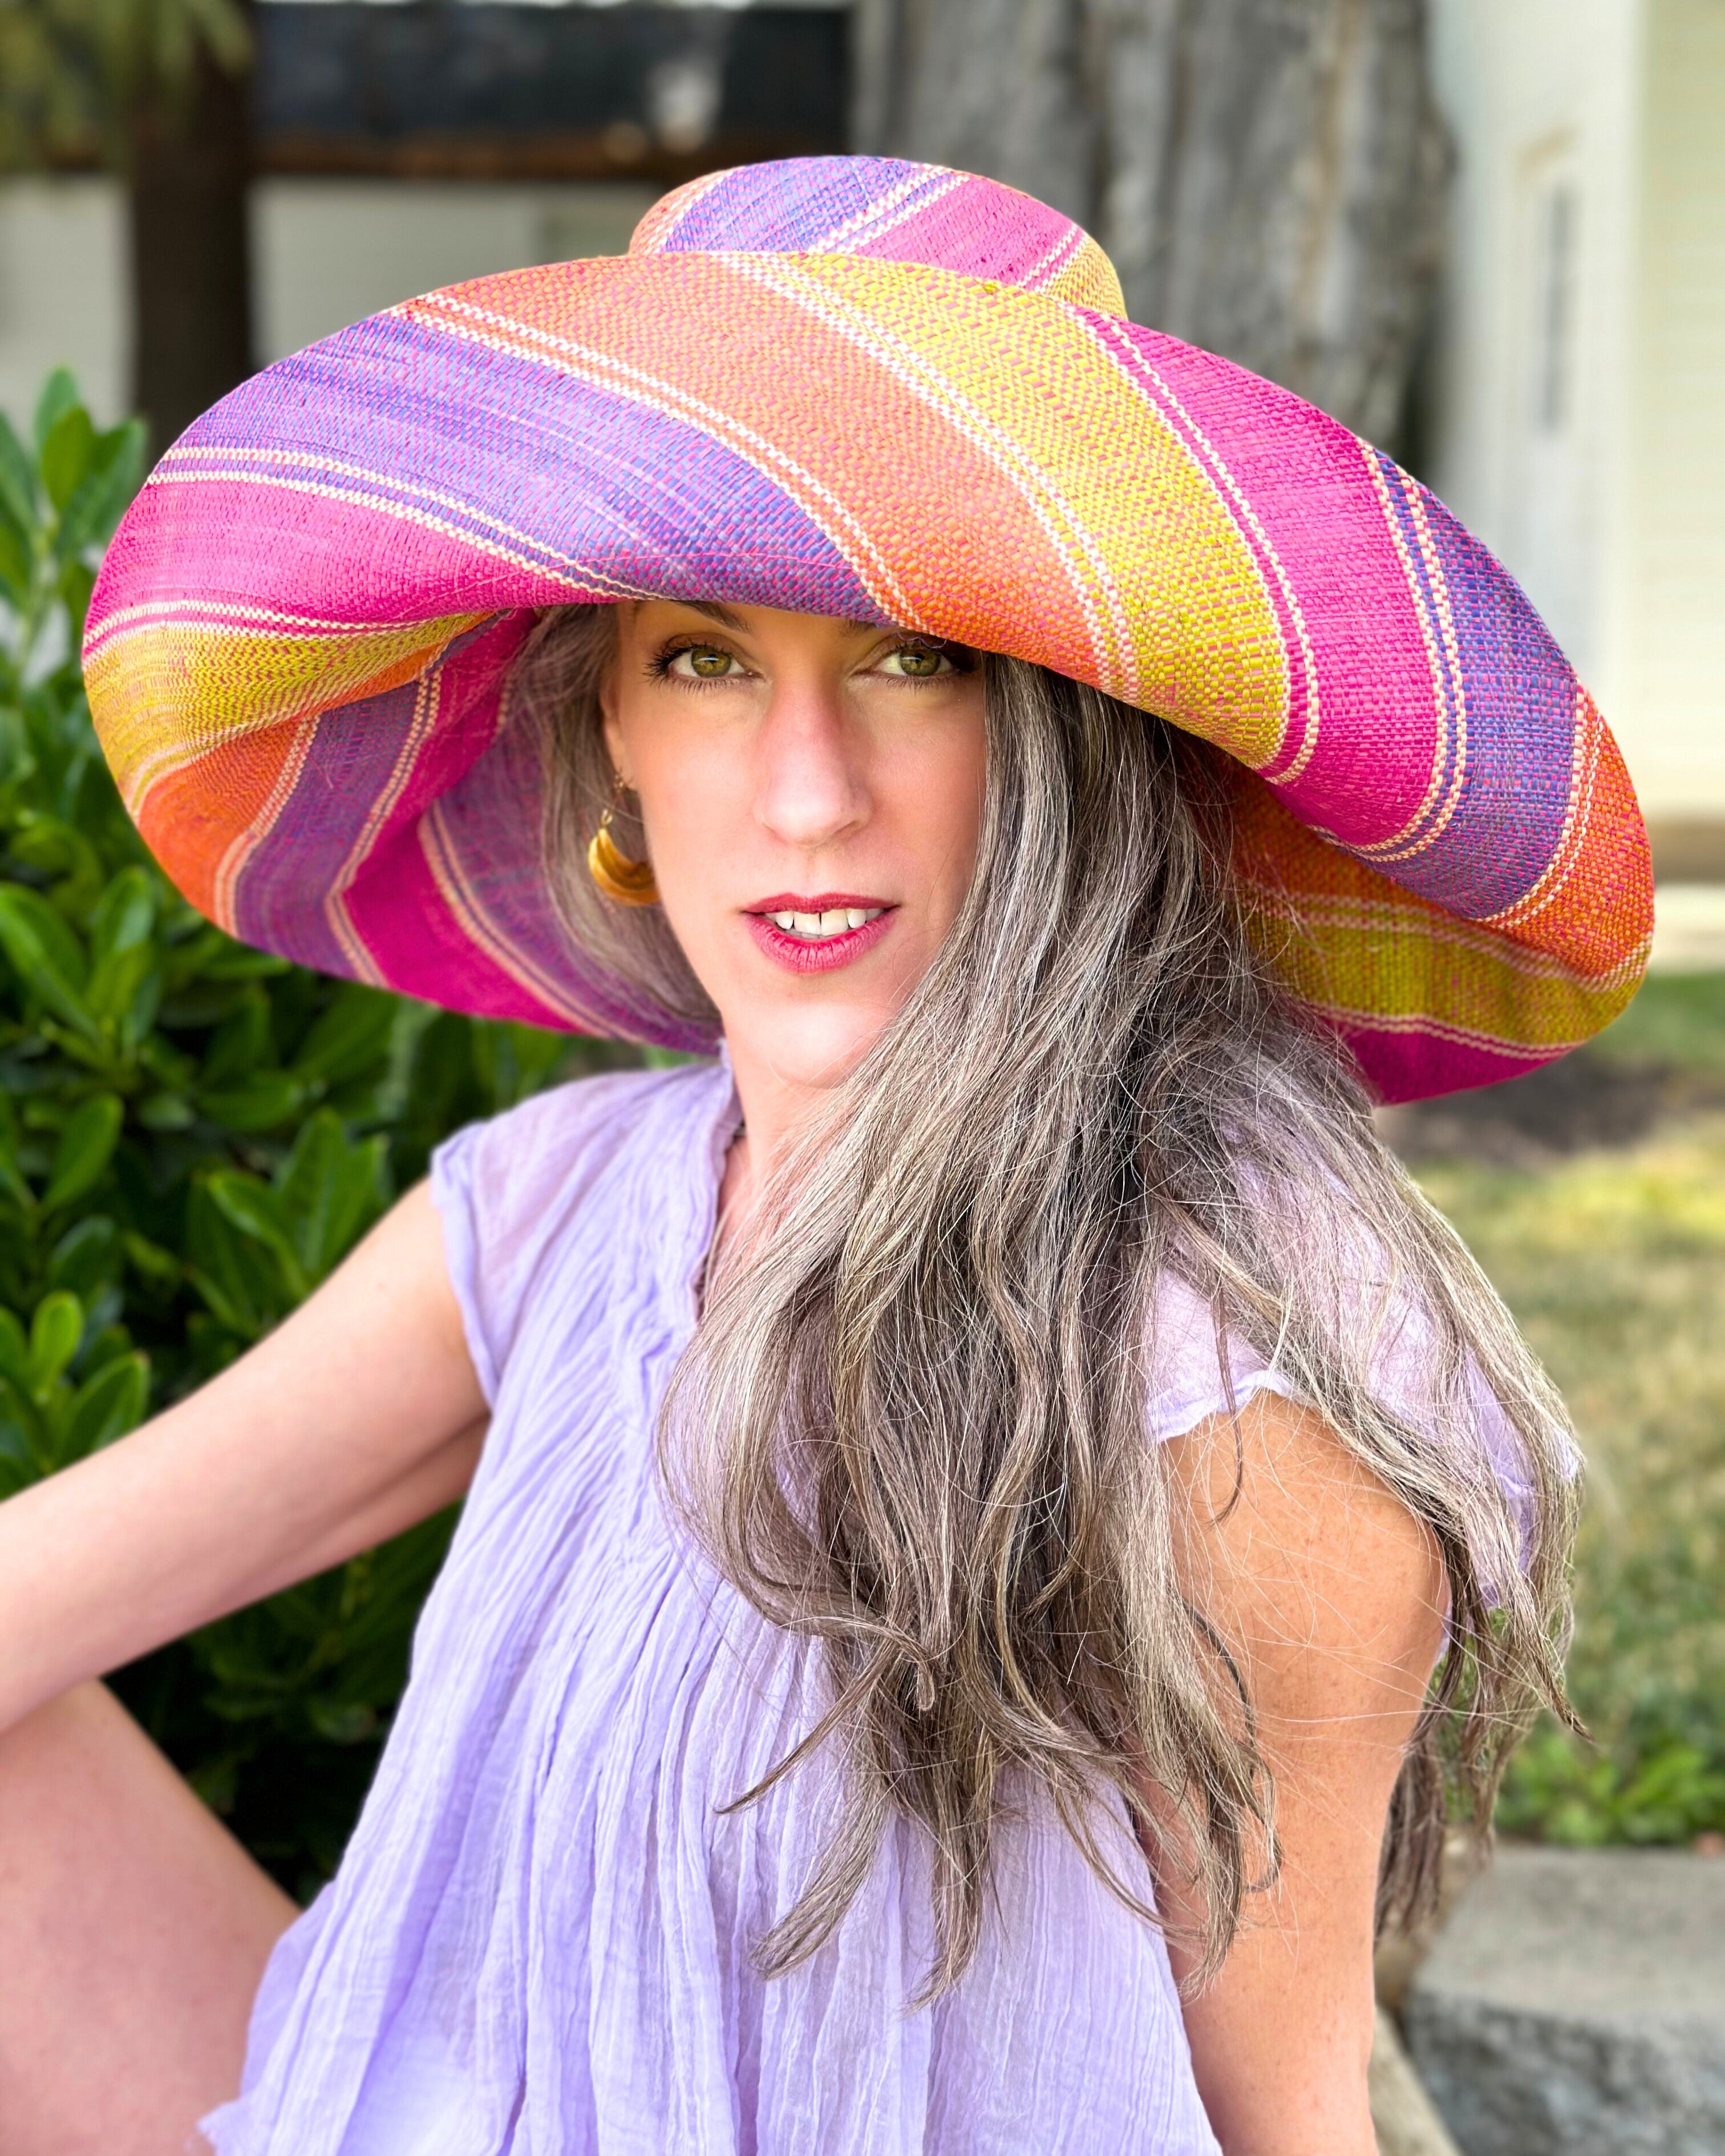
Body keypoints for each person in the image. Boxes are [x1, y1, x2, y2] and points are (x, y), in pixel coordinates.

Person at [0, 157, 1650, 2155]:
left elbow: (1282, 2119)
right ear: (608, 722)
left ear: (1070, 722)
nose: (804, 793)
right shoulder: (578, 1199)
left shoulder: (1233, 1335)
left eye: (909, 659)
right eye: (705, 658)